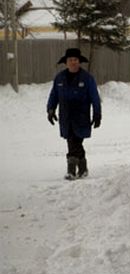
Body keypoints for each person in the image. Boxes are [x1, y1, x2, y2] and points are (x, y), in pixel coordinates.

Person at [46, 48, 102, 180]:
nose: (73, 62)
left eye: (75, 60)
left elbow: (95, 97)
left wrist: (97, 114)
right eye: (70, 60)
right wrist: (50, 109)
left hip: (81, 117)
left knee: (74, 142)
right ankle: (83, 169)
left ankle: (71, 171)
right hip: (66, 117)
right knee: (73, 142)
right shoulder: (59, 78)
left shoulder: (87, 78)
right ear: (66, 62)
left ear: (79, 61)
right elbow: (54, 96)